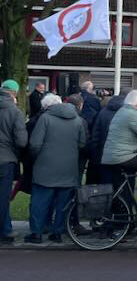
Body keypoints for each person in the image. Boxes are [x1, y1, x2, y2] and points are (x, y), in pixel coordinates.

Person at [24, 93, 83, 244]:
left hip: (45, 167)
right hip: (69, 168)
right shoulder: (77, 120)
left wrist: (36, 157)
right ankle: (58, 232)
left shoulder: (45, 119)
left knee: (40, 202)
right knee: (63, 204)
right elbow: (82, 144)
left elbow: (35, 144)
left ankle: (36, 233)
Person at [0, 80, 27, 244]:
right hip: (5, 159)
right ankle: (3, 233)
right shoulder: (14, 112)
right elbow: (21, 141)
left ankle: (6, 228)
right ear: (14, 93)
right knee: (3, 198)